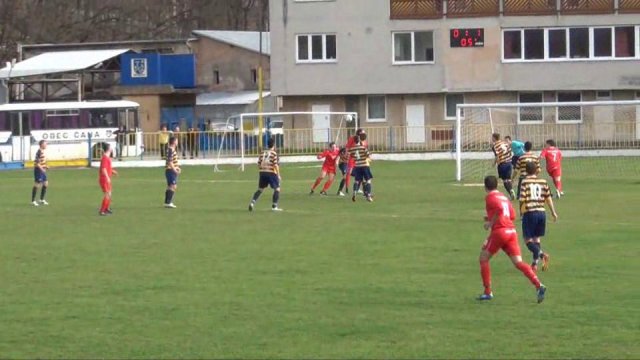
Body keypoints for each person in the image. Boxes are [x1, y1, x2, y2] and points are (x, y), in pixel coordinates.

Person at [477, 175, 546, 303]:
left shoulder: (490, 197)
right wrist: (491, 218)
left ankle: (487, 292)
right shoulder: (504, 197)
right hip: (511, 231)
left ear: (485, 186)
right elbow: (512, 215)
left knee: (483, 259)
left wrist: (490, 223)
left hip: (500, 232)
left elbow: (498, 211)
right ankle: (538, 285)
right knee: (518, 263)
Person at [519, 161, 558, 272]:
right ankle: (535, 264)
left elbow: (522, 199)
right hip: (542, 213)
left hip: (530, 212)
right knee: (536, 238)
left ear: (526, 171)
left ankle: (542, 255)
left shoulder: (525, 182)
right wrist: (553, 212)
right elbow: (548, 197)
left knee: (527, 240)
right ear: (536, 170)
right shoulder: (543, 181)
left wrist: (521, 213)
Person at [248, 138, 282, 212]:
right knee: (277, 189)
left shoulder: (262, 152)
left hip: (262, 172)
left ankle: (252, 203)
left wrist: (262, 170)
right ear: (273, 144)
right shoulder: (274, 153)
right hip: (271, 173)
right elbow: (275, 165)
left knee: (260, 189)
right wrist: (278, 175)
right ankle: (274, 206)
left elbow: (258, 163)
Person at [348, 133, 373, 202]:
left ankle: (354, 192)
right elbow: (368, 155)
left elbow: (350, 155)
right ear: (359, 141)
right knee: (368, 180)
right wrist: (369, 158)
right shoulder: (363, 148)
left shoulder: (352, 149)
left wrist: (356, 159)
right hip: (364, 165)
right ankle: (368, 195)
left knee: (356, 180)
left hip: (357, 166)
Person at [491, 133, 515, 199]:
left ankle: (510, 192)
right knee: (509, 179)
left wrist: (494, 163)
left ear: (494, 138)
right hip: (509, 163)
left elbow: (497, 156)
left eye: (492, 137)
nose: (491, 139)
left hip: (502, 164)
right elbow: (510, 152)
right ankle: (511, 190)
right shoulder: (505, 143)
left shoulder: (495, 146)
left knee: (505, 180)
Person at [345, 128, 367, 193]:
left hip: (359, 158)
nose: (364, 134)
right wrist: (347, 154)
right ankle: (346, 188)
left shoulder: (364, 140)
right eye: (362, 132)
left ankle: (357, 189)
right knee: (349, 172)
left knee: (361, 173)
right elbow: (347, 147)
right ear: (359, 133)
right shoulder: (352, 139)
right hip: (352, 158)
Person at [98, 143, 118, 216]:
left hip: (106, 178)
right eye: (111, 147)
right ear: (109, 149)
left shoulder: (107, 158)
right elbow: (103, 169)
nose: (112, 148)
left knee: (109, 194)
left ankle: (106, 208)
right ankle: (102, 210)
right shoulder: (105, 158)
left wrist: (112, 171)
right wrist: (107, 178)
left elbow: (106, 168)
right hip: (104, 179)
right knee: (107, 194)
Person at [164, 136, 181, 208]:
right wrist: (175, 170)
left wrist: (177, 167)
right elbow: (170, 162)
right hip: (170, 170)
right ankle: (168, 202)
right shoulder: (170, 150)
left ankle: (167, 202)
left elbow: (173, 161)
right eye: (176, 141)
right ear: (174, 142)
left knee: (170, 186)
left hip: (171, 170)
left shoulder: (172, 149)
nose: (177, 142)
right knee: (173, 186)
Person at [31, 140, 49, 206]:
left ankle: (41, 199)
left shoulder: (42, 151)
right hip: (38, 170)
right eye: (45, 144)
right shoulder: (39, 152)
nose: (46, 145)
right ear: (41, 145)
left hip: (42, 170)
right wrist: (42, 169)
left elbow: (41, 162)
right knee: (37, 184)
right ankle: (33, 201)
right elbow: (37, 163)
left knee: (46, 183)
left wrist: (45, 166)